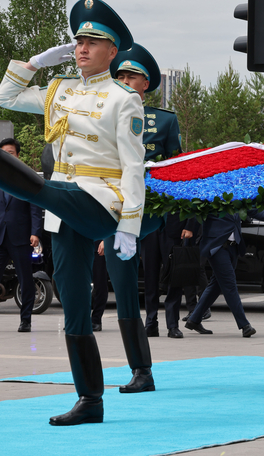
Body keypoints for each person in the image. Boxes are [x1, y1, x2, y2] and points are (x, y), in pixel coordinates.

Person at [0, 0, 144, 425]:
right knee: (73, 303)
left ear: (113, 52)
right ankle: (90, 400)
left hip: (99, 201)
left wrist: (129, 225)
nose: (82, 48)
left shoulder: (123, 99)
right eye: (78, 41)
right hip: (63, 208)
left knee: (46, 189)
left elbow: (133, 166)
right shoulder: (58, 90)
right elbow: (6, 95)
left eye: (93, 41)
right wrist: (37, 62)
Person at [107, 44, 181, 343]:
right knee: (147, 269)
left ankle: (173, 320)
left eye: (131, 78)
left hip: (159, 203)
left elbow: (175, 163)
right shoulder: (108, 116)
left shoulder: (164, 119)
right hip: (128, 204)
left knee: (172, 265)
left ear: (145, 84)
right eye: (120, 77)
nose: (124, 82)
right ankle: (150, 320)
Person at [184, 210, 264, 337]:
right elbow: (197, 209)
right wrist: (189, 229)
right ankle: (244, 325)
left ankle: (194, 320)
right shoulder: (211, 192)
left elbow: (253, 210)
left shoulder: (239, 193)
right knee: (230, 285)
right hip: (216, 245)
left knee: (216, 284)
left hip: (233, 247)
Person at [0, 139, 43, 333]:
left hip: (21, 237)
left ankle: (26, 320)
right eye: (4, 152)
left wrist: (35, 232)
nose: (7, 155)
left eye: (11, 152)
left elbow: (35, 207)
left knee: (25, 279)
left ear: (17, 155)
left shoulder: (26, 178)